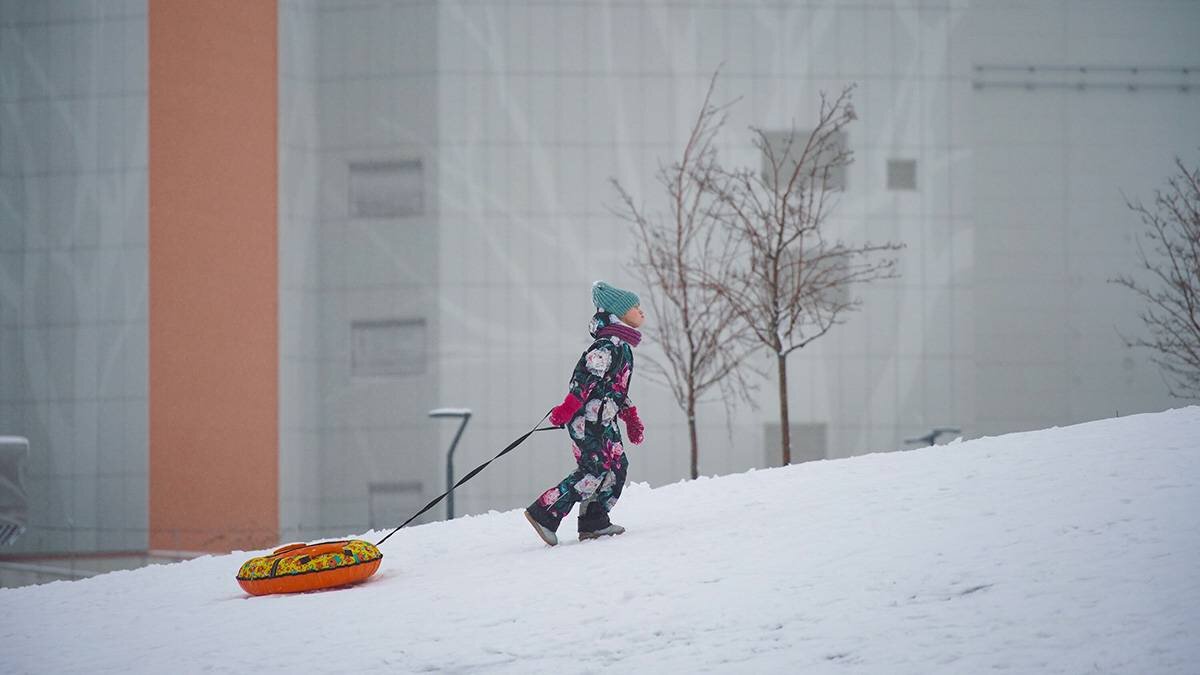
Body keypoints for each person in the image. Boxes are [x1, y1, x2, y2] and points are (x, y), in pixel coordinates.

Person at [524, 281, 646, 546]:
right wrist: (568, 408)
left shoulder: (622, 347)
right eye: (635, 306)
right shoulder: (606, 346)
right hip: (587, 420)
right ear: (618, 312)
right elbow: (585, 379)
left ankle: (594, 520)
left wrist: (630, 416)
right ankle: (545, 512)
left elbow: (615, 388)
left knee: (617, 467)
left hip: (605, 419)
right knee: (594, 470)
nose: (641, 311)